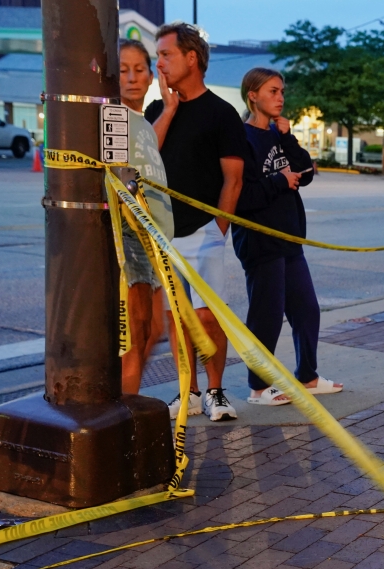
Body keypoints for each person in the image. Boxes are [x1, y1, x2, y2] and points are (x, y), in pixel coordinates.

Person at [145, 22, 244, 421]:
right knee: (176, 318)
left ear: (192, 58)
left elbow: (233, 179)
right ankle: (187, 391)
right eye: (157, 56)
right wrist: (168, 109)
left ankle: (215, 392)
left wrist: (217, 230)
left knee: (207, 316)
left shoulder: (222, 113)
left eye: (165, 54)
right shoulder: (157, 110)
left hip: (204, 232)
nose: (159, 63)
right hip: (164, 234)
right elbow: (145, 159)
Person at [235, 68, 342, 403]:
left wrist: (288, 138)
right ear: (252, 95)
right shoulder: (242, 139)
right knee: (266, 316)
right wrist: (280, 181)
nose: (280, 97)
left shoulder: (278, 134)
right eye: (272, 91)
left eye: (282, 91)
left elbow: (307, 173)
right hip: (260, 239)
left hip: (289, 237)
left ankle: (307, 377)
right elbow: (242, 196)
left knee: (306, 309)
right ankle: (259, 387)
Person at [118, 39, 174, 394]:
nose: (132, 77)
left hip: (153, 240)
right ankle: (124, 421)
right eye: (123, 70)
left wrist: (168, 109)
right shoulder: (112, 116)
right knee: (136, 336)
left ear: (151, 75)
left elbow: (146, 147)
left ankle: (128, 408)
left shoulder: (139, 121)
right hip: (130, 236)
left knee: (154, 329)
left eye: (139, 69)